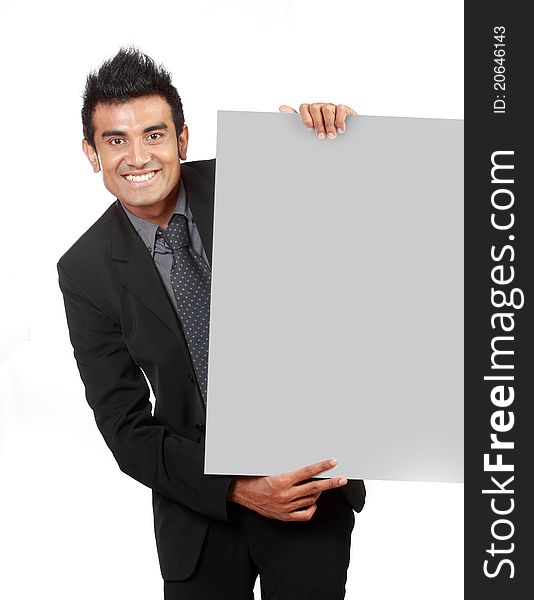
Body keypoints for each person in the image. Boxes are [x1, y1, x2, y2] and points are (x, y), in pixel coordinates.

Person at [58, 47, 366, 599]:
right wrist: (238, 489)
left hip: (305, 487)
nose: (137, 157)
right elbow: (125, 427)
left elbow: (359, 250)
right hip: (197, 515)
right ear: (91, 151)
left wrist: (329, 148)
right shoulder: (84, 270)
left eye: (154, 134)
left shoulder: (258, 178)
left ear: (181, 139)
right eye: (115, 139)